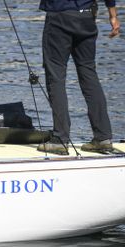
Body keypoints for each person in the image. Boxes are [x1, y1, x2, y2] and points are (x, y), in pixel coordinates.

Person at [37, 0, 120, 155]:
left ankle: (60, 139)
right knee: (89, 74)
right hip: (87, 16)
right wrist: (113, 15)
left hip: (59, 17)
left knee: (56, 76)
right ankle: (103, 138)